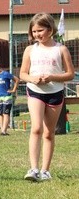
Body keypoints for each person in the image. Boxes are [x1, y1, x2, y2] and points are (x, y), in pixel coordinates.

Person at [19, 12, 75, 181]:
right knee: (36, 128)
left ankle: (45, 171)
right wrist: (32, 78)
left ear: (50, 30)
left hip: (55, 94)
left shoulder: (61, 49)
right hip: (35, 92)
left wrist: (52, 78)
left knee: (49, 133)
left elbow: (70, 74)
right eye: (34, 31)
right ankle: (33, 169)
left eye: (40, 30)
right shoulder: (30, 50)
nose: (37, 34)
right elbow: (22, 73)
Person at [0, 59, 19, 136]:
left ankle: (4, 131)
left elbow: (16, 79)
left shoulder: (6, 74)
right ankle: (1, 129)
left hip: (6, 96)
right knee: (0, 114)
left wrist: (13, 90)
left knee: (6, 113)